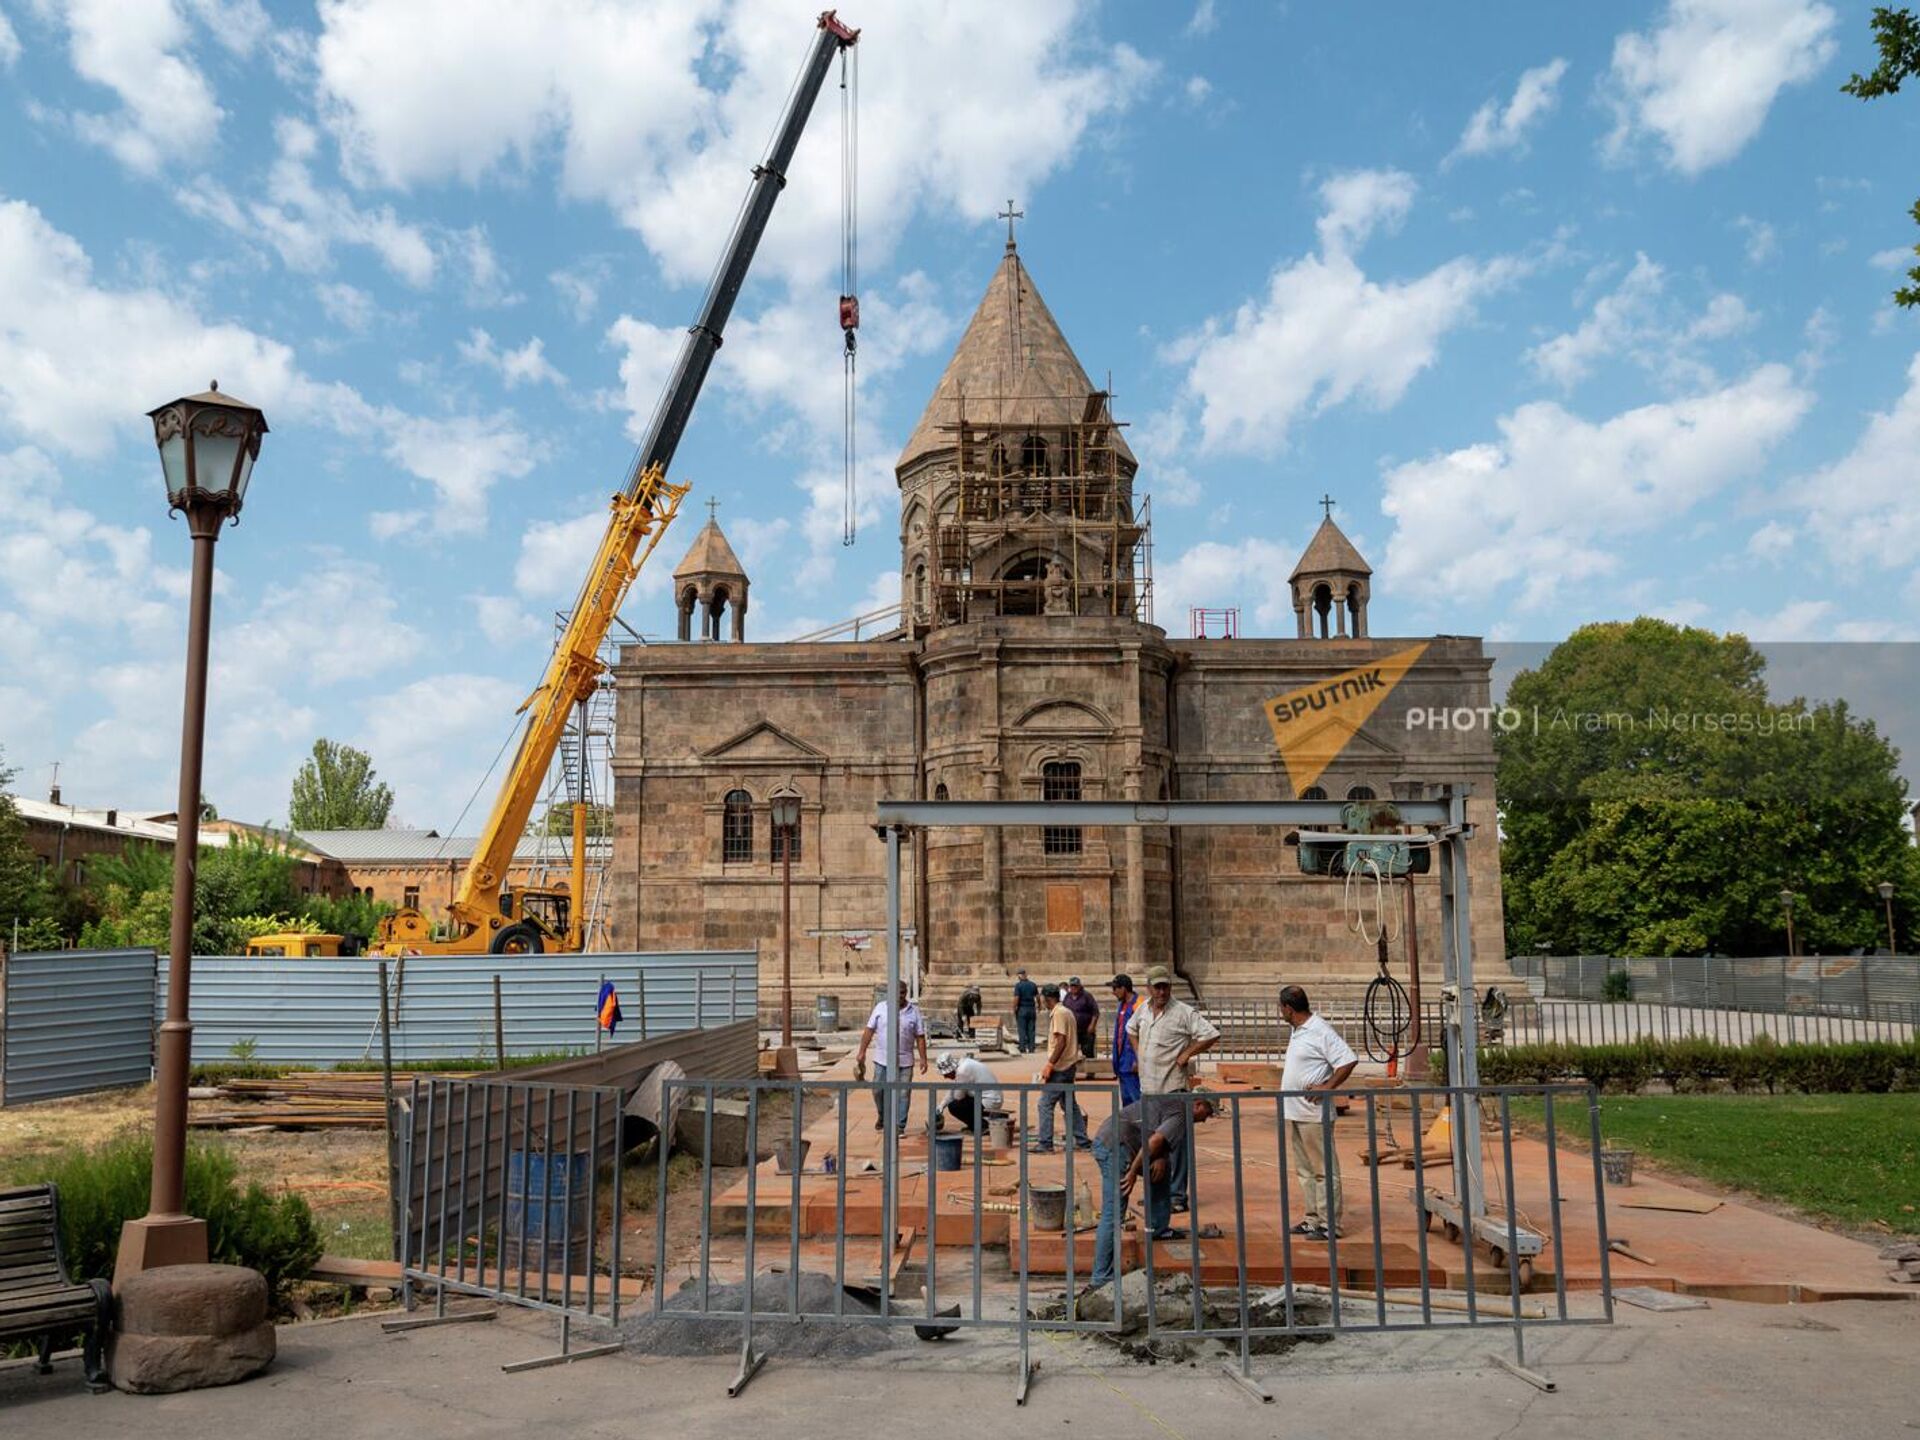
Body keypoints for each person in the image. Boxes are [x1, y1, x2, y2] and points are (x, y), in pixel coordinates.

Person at [1089, 1092, 1216, 1287]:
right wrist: (1132, 1172)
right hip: (1115, 1146)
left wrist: (1161, 1158)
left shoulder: (1175, 1104)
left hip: (1122, 1141)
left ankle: (1158, 1227)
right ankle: (1101, 1279)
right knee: (1113, 1213)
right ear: (1198, 1105)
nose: (1206, 1120)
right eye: (1207, 1113)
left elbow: (1153, 1133)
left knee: (1162, 1171)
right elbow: (1154, 1141)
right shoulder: (1182, 1114)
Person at [1126, 966, 1219, 1215]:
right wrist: (1139, 1053)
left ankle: (1178, 1195)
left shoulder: (1183, 1012)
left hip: (1173, 1090)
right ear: (1149, 988)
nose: (1161, 991)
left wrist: (1188, 1053)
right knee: (1155, 1146)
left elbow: (1211, 1034)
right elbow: (1130, 1029)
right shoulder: (1143, 1009)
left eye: (1165, 986)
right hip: (1149, 1090)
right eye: (1156, 987)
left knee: (1175, 1145)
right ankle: (1159, 1195)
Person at [1279, 984, 1357, 1239]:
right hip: (1296, 1112)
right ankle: (1312, 1218)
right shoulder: (1298, 1030)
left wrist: (1328, 1086)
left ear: (1288, 1009)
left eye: (1281, 1008)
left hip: (1313, 1113)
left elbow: (1347, 1059)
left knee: (1324, 1170)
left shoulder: (1319, 1029)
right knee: (1305, 1170)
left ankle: (1330, 1224)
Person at [853, 981, 928, 1134]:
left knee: (903, 1093)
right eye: (896, 992)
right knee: (878, 1090)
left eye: (902, 992)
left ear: (906, 993)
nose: (899, 996)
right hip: (882, 1059)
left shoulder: (913, 1011)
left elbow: (920, 1037)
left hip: (905, 1061)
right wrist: (862, 1051)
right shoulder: (880, 1008)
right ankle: (882, 1116)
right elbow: (869, 1030)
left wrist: (923, 1059)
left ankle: (900, 1125)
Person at [1026, 984, 1089, 1152]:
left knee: (1045, 1104)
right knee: (1069, 1104)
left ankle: (1045, 1143)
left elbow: (1061, 1041)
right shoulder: (1066, 1012)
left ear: (1047, 999)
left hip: (1061, 1067)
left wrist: (1050, 1064)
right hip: (1068, 1065)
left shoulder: (1060, 1014)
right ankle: (1082, 1141)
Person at [934, 1051, 1003, 1132]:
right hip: (988, 1098)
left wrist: (945, 1105)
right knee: (960, 1099)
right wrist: (941, 1106)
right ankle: (976, 1124)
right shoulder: (962, 1065)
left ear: (950, 1070)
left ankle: (982, 1125)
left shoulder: (963, 1071)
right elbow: (953, 1088)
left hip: (990, 1101)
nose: (945, 1077)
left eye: (946, 1074)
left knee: (955, 1106)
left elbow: (958, 1097)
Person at [1108, 974, 1141, 1106]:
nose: (1113, 992)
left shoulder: (1138, 1006)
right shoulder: (1122, 1005)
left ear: (1124, 988)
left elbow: (1143, 1035)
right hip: (1122, 1062)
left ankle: (1142, 1125)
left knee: (1136, 1100)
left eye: (1115, 988)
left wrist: (1138, 1059)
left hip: (1131, 1062)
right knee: (1127, 1102)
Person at [1061, 976, 1099, 1060]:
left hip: (1086, 1030)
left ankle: (1090, 1071)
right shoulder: (1067, 997)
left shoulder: (1087, 996)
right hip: (1072, 1030)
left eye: (1075, 986)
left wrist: (1092, 1025)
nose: (1073, 988)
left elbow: (1095, 1012)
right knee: (1070, 1051)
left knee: (1087, 1051)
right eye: (1072, 986)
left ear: (1079, 986)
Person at [1012, 969, 1039, 1053]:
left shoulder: (1018, 985)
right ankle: (1031, 1048)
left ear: (1020, 976)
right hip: (1031, 1009)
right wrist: (1040, 1006)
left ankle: (1022, 1047)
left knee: (1022, 1029)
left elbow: (1017, 998)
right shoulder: (1033, 985)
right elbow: (1037, 997)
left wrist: (1014, 1008)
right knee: (1031, 1029)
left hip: (1022, 1009)